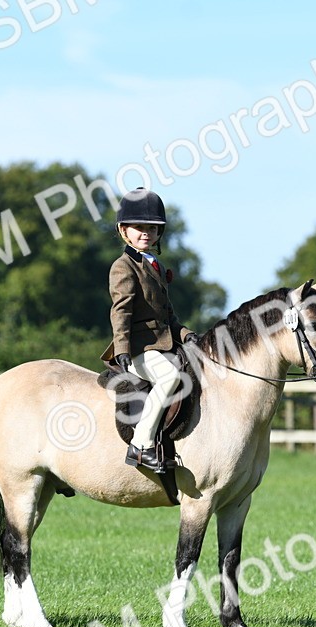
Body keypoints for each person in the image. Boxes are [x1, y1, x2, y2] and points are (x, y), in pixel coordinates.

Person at [100, 188, 199, 472]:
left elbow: (168, 317)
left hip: (164, 344)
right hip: (139, 349)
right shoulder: (123, 266)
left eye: (152, 228)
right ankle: (140, 445)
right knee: (170, 377)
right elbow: (121, 311)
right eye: (139, 228)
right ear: (123, 231)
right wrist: (121, 350)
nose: (146, 233)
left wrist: (187, 335)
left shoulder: (155, 265)